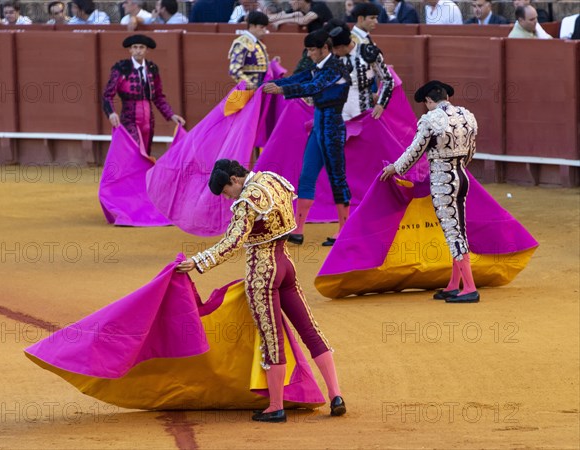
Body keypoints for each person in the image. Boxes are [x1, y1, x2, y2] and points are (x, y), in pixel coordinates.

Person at [176, 159, 346, 422]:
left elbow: (233, 242)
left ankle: (275, 406)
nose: (226, 197)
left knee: (272, 339)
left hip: (263, 272)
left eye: (224, 191)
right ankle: (336, 395)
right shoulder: (272, 179)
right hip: (286, 264)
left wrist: (198, 261)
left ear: (234, 179)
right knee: (310, 329)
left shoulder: (247, 199)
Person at [380, 80, 480, 303]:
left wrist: (395, 168)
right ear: (447, 96)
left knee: (453, 231)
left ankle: (470, 288)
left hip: (443, 180)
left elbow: (415, 149)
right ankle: (455, 284)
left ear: (428, 101)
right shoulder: (466, 115)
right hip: (462, 175)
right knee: (457, 228)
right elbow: (471, 149)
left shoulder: (431, 119)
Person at [263, 30, 351, 247]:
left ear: (324, 49)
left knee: (336, 177)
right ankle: (298, 230)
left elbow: (313, 87)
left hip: (332, 127)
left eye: (313, 50)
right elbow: (301, 78)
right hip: (319, 124)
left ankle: (344, 230)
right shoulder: (319, 67)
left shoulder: (337, 68)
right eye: (309, 50)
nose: (310, 54)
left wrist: (283, 90)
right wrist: (277, 84)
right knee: (307, 175)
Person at [102, 35, 184, 156]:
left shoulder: (152, 68)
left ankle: (142, 176)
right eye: (135, 47)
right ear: (130, 50)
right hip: (129, 118)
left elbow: (158, 97)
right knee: (134, 151)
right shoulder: (121, 68)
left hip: (148, 120)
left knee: (146, 151)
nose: (138, 50)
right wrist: (111, 113)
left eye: (141, 47)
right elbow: (107, 95)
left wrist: (171, 115)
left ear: (147, 50)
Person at [325, 18, 393, 121]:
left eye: (334, 49)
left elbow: (388, 80)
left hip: (364, 111)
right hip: (338, 113)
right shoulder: (333, 59)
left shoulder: (368, 52)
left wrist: (381, 104)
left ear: (341, 47)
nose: (333, 53)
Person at [228, 11, 271, 89]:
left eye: (265, 27)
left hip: (260, 91)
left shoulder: (258, 43)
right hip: (249, 92)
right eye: (261, 27)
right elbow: (234, 71)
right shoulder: (242, 43)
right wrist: (251, 86)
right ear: (251, 26)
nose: (264, 30)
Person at [268, 0, 333, 32]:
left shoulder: (319, 6)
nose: (289, 2)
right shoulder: (295, 10)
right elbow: (270, 18)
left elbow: (304, 20)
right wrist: (291, 15)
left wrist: (283, 21)